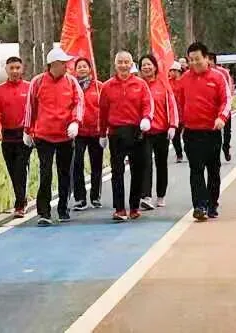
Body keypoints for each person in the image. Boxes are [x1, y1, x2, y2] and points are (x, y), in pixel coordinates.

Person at [24, 47, 84, 226]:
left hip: (65, 135)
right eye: (63, 63)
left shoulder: (71, 82)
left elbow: (79, 103)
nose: (66, 66)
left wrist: (75, 122)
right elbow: (30, 106)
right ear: (53, 64)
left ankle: (63, 208)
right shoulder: (38, 82)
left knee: (65, 173)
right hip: (44, 135)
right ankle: (44, 212)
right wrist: (27, 130)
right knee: (46, 173)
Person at [176, 42, 231, 221]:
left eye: (197, 59)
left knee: (213, 170)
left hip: (212, 131)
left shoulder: (218, 77)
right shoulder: (184, 79)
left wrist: (221, 118)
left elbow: (226, 100)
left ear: (207, 58)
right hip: (191, 132)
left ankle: (212, 204)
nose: (194, 63)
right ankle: (199, 205)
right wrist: (179, 123)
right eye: (191, 60)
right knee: (196, 170)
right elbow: (179, 102)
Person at [98, 51, 154, 222]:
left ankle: (134, 207)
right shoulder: (107, 86)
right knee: (117, 172)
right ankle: (119, 209)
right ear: (115, 65)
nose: (123, 65)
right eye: (120, 62)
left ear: (132, 64)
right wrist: (102, 134)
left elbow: (148, 104)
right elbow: (103, 112)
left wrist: (146, 118)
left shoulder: (140, 84)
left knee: (138, 170)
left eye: (126, 62)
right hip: (116, 133)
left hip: (136, 131)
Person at [0, 57, 32, 218]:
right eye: (11, 68)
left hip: (24, 135)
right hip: (7, 136)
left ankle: (20, 204)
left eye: (17, 68)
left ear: (22, 69)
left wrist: (32, 131)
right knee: (13, 171)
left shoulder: (29, 87)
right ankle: (21, 197)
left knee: (21, 169)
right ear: (6, 70)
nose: (14, 71)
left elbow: (35, 110)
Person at [139, 54, 179, 209]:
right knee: (145, 163)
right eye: (143, 65)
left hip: (162, 131)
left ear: (155, 67)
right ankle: (146, 196)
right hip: (144, 132)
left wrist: (173, 125)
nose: (146, 67)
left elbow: (172, 105)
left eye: (149, 64)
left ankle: (161, 195)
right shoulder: (139, 85)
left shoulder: (163, 84)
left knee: (161, 164)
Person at [71, 58, 104, 210]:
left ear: (90, 69)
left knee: (96, 164)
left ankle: (95, 196)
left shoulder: (98, 86)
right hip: (78, 131)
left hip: (96, 131)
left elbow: (106, 106)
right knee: (77, 163)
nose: (82, 69)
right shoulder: (72, 86)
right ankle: (80, 198)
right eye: (79, 67)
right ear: (75, 70)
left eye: (85, 66)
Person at [208, 53, 234, 162]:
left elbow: (229, 88)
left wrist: (228, 103)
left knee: (227, 131)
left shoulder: (223, 72)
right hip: (211, 110)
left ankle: (226, 147)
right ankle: (215, 155)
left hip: (224, 107)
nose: (208, 62)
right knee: (213, 133)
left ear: (214, 61)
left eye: (210, 60)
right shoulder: (202, 74)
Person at [168, 61, 185, 162]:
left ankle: (188, 151)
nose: (171, 72)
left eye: (174, 70)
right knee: (175, 135)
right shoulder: (167, 82)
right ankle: (179, 154)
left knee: (187, 136)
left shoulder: (183, 82)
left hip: (184, 112)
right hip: (174, 114)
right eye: (170, 70)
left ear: (178, 71)